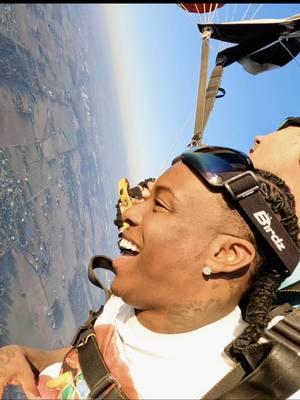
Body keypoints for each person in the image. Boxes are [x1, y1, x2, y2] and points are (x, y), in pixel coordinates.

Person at [0, 132, 299, 399]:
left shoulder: (230, 382)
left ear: (226, 254)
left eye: (161, 205)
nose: (131, 212)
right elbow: (85, 357)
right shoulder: (134, 301)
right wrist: (26, 358)